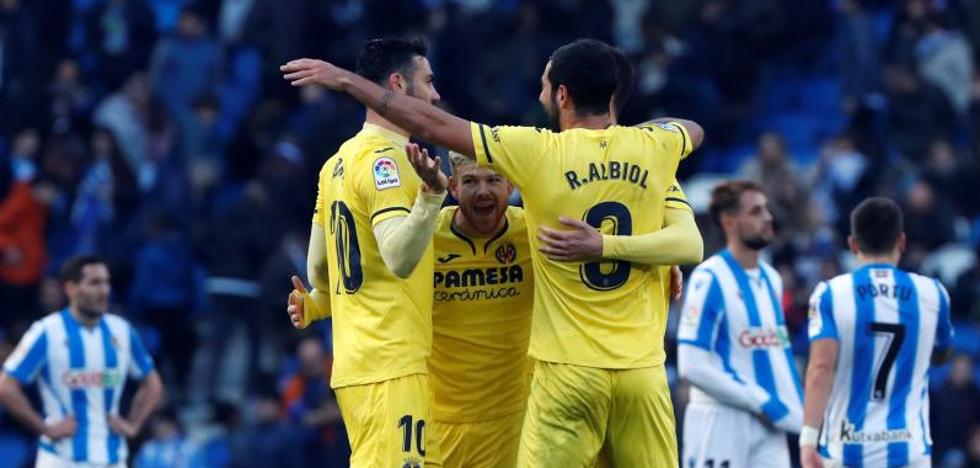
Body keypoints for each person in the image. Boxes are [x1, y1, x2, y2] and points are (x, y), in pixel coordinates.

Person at [282, 37, 704, 467]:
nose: (483, 191)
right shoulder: (430, 232)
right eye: (470, 182)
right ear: (452, 186)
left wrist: (652, 260)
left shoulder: (533, 215)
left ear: (515, 185)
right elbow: (384, 266)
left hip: (522, 413)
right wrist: (318, 305)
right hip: (442, 421)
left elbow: (432, 128)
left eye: (494, 181)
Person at [285, 37, 446, 467]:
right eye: (428, 82)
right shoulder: (386, 162)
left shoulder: (337, 162)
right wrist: (431, 197)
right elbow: (398, 257)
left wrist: (318, 306)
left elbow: (317, 270)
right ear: (398, 83)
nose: (435, 94)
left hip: (355, 365)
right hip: (392, 362)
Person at [800, 197, 955, 468]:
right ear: (902, 242)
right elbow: (942, 354)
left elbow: (820, 370)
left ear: (852, 244)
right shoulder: (933, 294)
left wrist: (808, 439)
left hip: (845, 449)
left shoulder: (831, 294)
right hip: (909, 450)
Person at [676, 180, 804, 468]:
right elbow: (691, 364)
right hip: (721, 419)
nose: (768, 218)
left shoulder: (771, 279)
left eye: (767, 210)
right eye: (756, 211)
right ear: (730, 222)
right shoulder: (709, 278)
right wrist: (757, 400)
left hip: (769, 424)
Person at [0, 255, 164, 467]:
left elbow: (152, 383)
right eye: (95, 283)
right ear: (71, 288)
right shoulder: (47, 332)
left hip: (112, 459)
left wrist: (134, 424)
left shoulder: (122, 331)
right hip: (61, 458)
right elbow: (6, 386)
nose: (104, 290)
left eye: (106, 282)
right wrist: (45, 429)